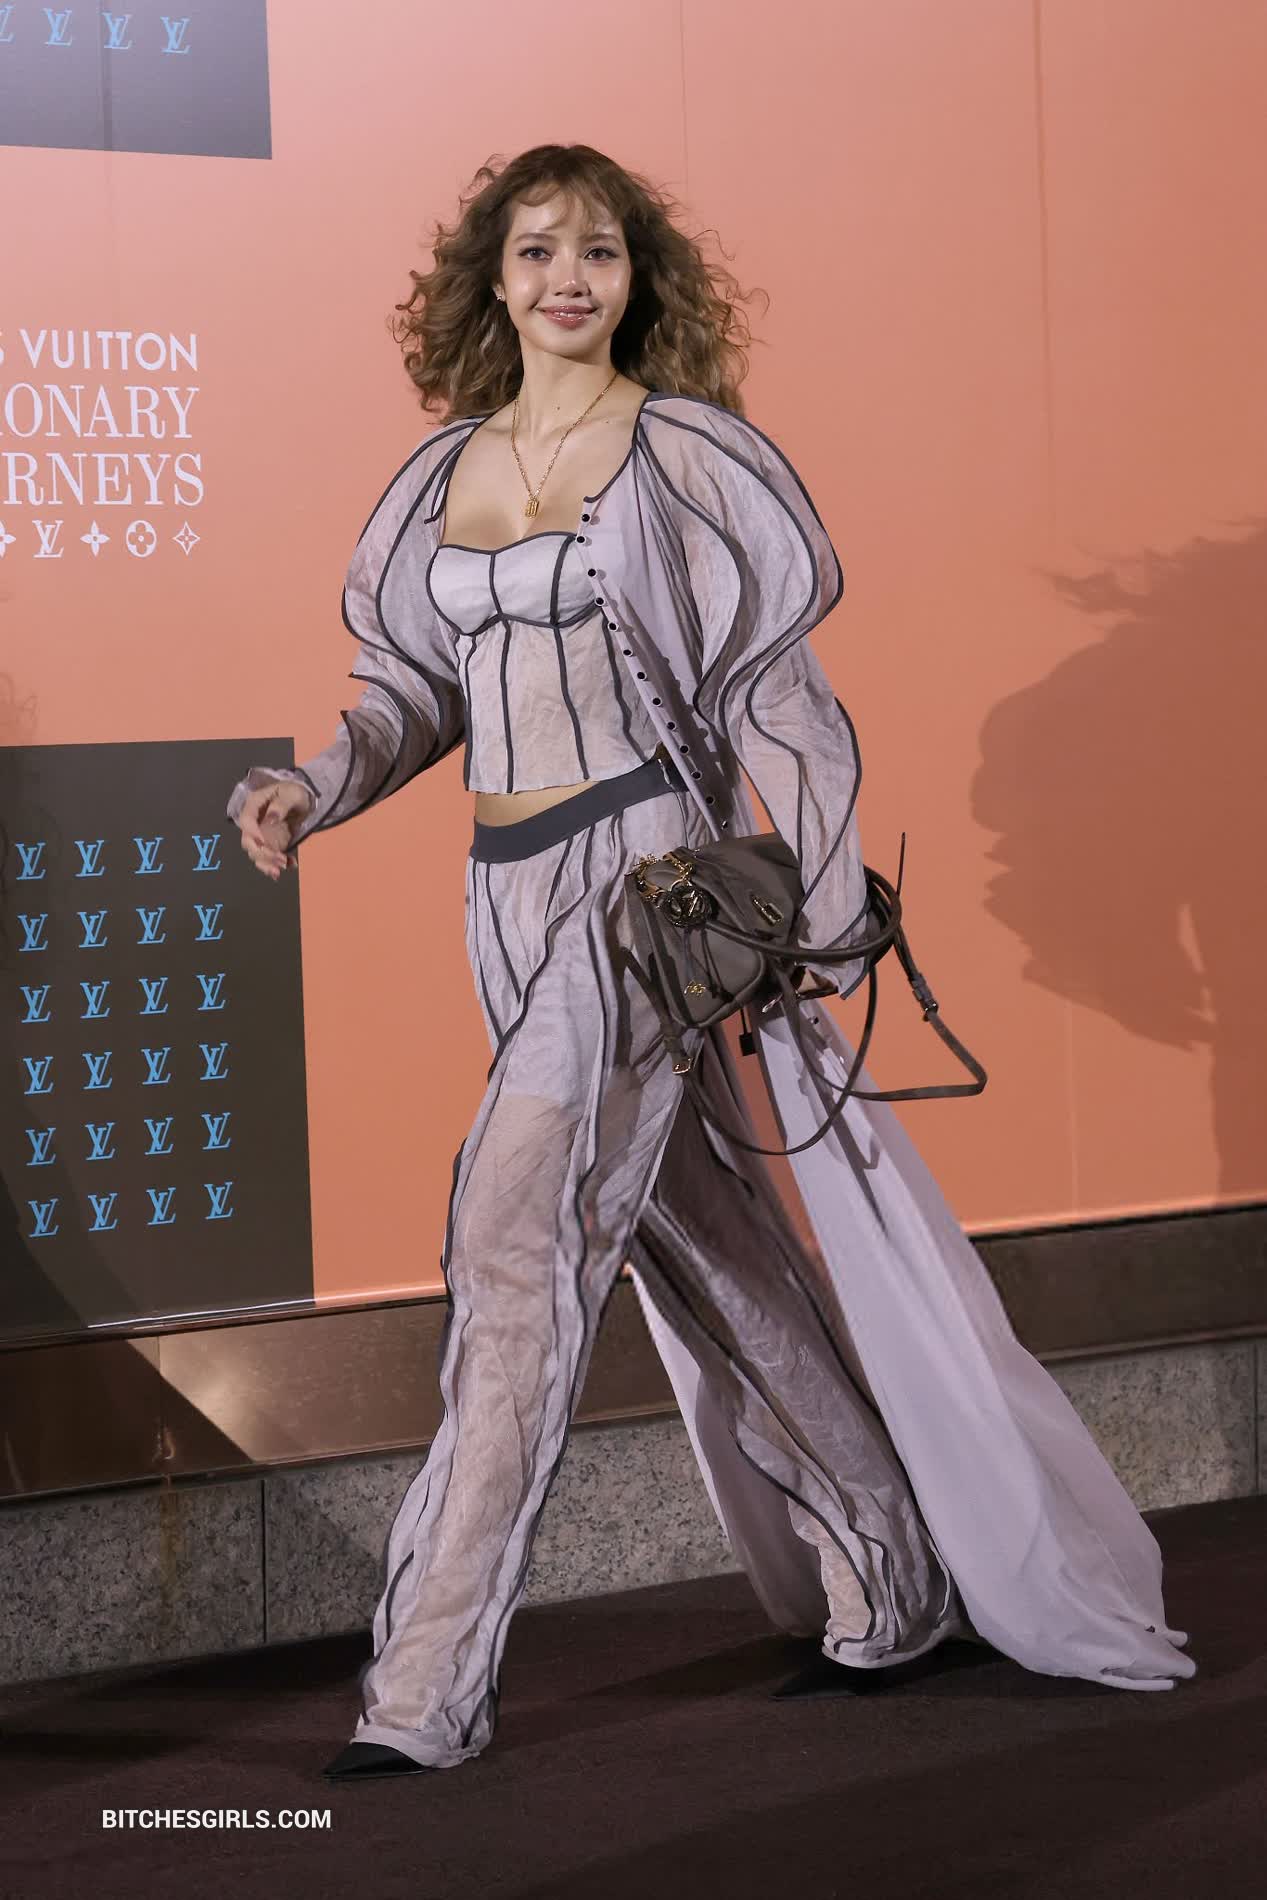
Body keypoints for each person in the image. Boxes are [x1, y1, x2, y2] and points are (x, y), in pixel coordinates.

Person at [226, 145, 1196, 1780]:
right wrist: (315, 787)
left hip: (644, 887)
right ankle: (889, 1571)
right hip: (502, 900)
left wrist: (814, 912)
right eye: (539, 250)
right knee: (701, 1244)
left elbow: (779, 703)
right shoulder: (438, 477)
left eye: (600, 250)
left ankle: (425, 1682)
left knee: (514, 1236)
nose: (569, 278)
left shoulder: (687, 457)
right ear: (492, 281)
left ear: (639, 278)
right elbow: (414, 689)